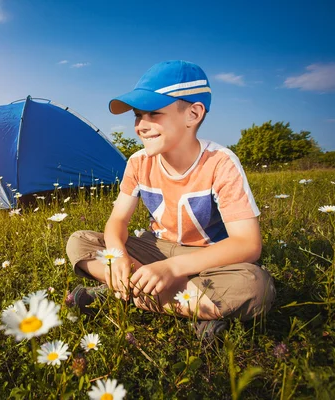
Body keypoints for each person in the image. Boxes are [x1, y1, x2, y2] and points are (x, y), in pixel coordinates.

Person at [66, 60, 276, 339]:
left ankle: (123, 292)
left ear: (193, 113)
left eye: (154, 113)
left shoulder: (221, 163)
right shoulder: (138, 162)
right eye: (138, 116)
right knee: (79, 241)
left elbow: (247, 244)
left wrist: (173, 268)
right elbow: (117, 220)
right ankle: (196, 306)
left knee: (255, 286)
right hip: (156, 250)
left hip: (209, 258)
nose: (141, 125)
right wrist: (118, 256)